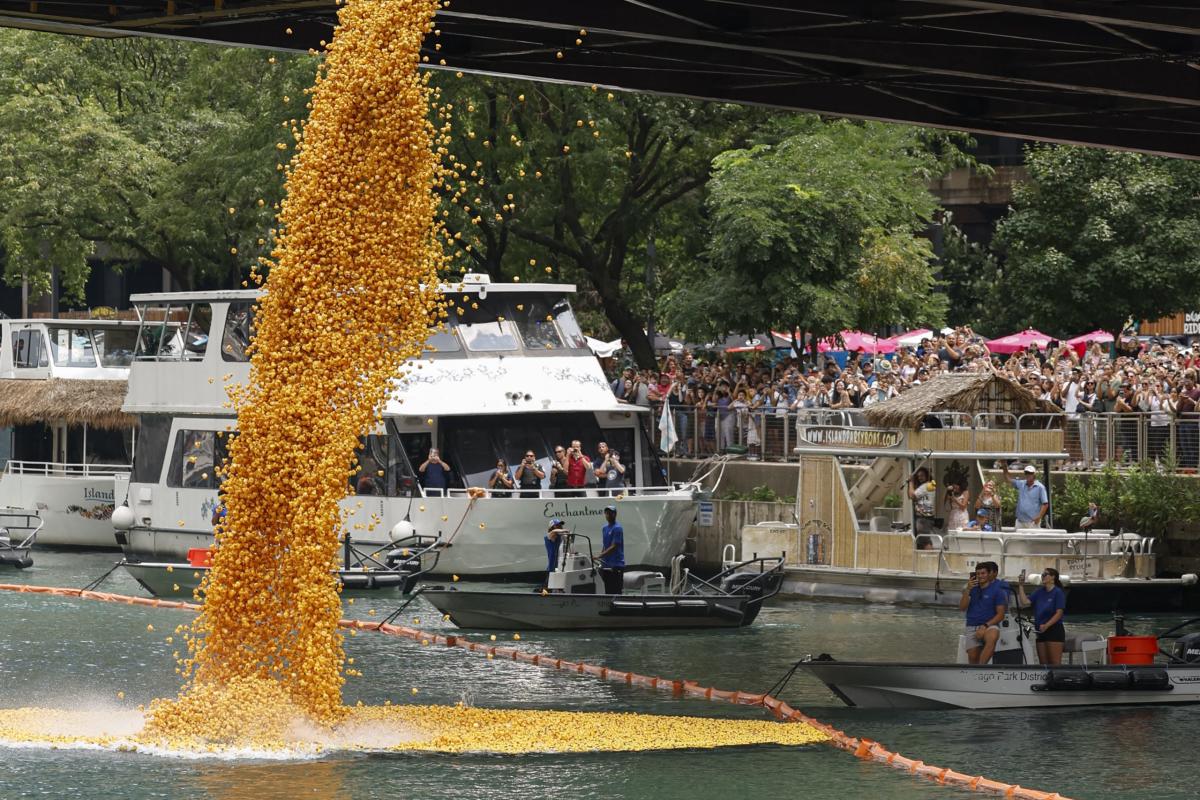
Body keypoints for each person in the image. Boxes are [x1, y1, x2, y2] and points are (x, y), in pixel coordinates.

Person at [1016, 567, 1066, 665]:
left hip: (1054, 629)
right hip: (1040, 630)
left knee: (1054, 663)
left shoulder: (1058, 592)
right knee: (1043, 664)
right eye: (1042, 575)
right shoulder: (1039, 592)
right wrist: (1021, 586)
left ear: (1053, 577)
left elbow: (1059, 613)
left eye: (1045, 574)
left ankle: (1056, 680)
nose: (1042, 576)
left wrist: (1047, 625)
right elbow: (1025, 602)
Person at [959, 562, 1007, 664]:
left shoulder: (998, 591)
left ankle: (981, 668)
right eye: (978, 574)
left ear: (989, 574)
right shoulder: (971, 589)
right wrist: (967, 590)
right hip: (972, 625)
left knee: (993, 636)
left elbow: (1001, 615)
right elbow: (962, 608)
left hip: (989, 625)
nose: (980, 576)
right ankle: (975, 674)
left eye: (983, 573)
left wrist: (985, 626)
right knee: (973, 657)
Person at [1003, 463, 1049, 528]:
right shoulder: (1021, 483)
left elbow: (1045, 504)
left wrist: (1039, 517)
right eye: (1026, 473)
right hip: (1019, 521)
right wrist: (1004, 466)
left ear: (1034, 474)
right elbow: (1008, 479)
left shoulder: (1040, 487)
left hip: (1033, 522)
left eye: (1030, 473)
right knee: (1017, 538)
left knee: (1032, 538)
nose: (1028, 475)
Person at [596, 504, 624, 594]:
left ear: (615, 514)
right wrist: (600, 559)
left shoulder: (617, 528)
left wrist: (599, 555)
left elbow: (614, 546)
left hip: (616, 564)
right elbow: (605, 545)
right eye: (607, 513)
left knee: (615, 590)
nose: (608, 515)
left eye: (611, 513)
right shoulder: (604, 528)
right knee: (606, 589)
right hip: (606, 564)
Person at [908, 467, 936, 549]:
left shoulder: (926, 486)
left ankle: (930, 559)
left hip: (924, 517)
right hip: (925, 517)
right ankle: (927, 558)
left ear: (927, 476)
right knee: (923, 540)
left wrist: (911, 482)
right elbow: (910, 495)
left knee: (924, 541)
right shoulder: (928, 485)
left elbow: (912, 495)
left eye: (922, 475)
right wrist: (911, 484)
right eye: (918, 476)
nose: (920, 478)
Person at [544, 518, 566, 589]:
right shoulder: (549, 535)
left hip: (559, 566)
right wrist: (564, 531)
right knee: (548, 586)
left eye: (560, 525)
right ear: (552, 527)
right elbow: (554, 531)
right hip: (552, 567)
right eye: (557, 525)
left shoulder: (561, 537)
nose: (560, 526)